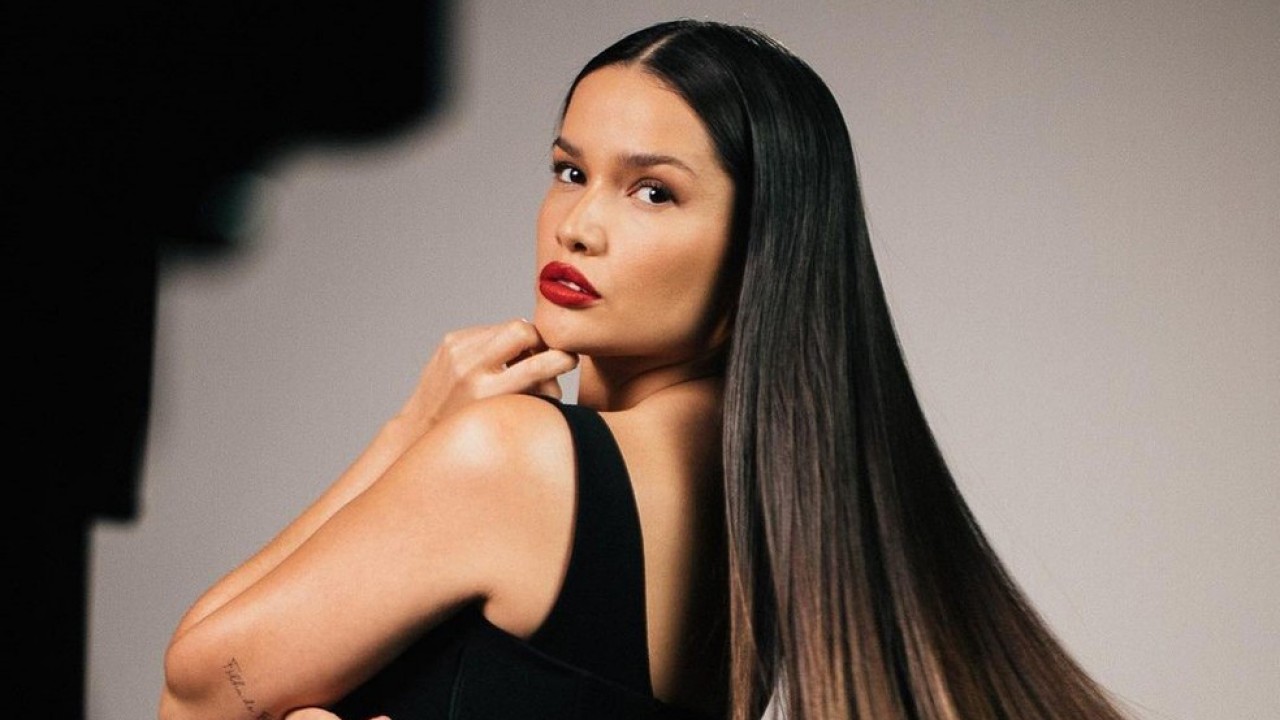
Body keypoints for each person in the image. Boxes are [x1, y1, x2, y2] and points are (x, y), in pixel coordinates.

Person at [159, 18, 1133, 720]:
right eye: (570, 171)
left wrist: (411, 432)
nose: (579, 225)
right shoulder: (773, 514)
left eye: (653, 192)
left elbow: (196, 693)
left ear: (760, 248)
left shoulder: (515, 458)